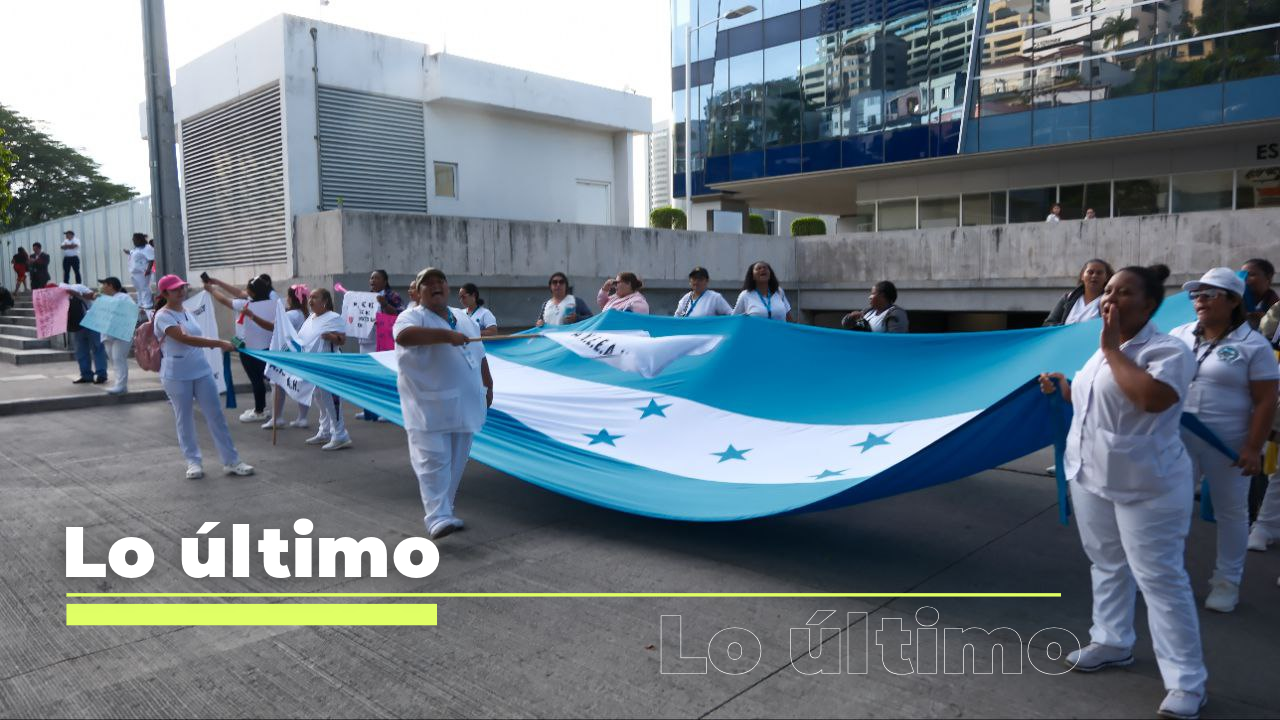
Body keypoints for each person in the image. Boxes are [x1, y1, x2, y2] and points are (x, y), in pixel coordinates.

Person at [1038, 264, 1206, 720]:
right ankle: (1112, 641)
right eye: (1108, 291)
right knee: (1107, 564)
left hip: (1148, 485)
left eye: (1123, 292)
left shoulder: (1168, 350)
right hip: (1092, 476)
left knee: (1160, 580)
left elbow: (1150, 399)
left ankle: (1187, 682)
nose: (1110, 299)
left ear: (1149, 304)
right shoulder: (1101, 353)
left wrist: (1112, 350)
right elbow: (1095, 402)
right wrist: (1065, 387)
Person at [1169, 268, 1278, 613]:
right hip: (1178, 438)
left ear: (1232, 301)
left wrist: (1252, 447)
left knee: (1231, 513)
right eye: (1195, 295)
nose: (1198, 301)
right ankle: (1165, 575)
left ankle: (1227, 582)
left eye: (1208, 294)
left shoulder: (1253, 345)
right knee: (1172, 509)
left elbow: (1265, 400)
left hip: (1229, 443)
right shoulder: (1179, 335)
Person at [394, 267, 494, 540]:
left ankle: (446, 509)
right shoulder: (411, 316)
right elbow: (403, 337)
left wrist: (489, 383)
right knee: (433, 461)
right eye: (428, 283)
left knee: (456, 462)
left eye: (441, 281)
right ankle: (436, 517)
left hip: (465, 403)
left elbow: (480, 352)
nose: (436, 286)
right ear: (417, 291)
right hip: (429, 407)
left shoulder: (463, 317)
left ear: (448, 287)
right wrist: (445, 337)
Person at [152, 274, 255, 480]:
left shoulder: (187, 311)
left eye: (182, 287)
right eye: (175, 289)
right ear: (165, 293)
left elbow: (192, 337)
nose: (181, 291)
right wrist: (219, 343)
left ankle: (232, 461)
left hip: (201, 370)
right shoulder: (163, 316)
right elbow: (185, 339)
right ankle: (193, 461)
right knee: (185, 418)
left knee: (216, 415)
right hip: (176, 374)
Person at [205, 276, 275, 423]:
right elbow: (238, 292)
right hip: (267, 347)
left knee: (256, 380)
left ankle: (259, 410)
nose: (244, 291)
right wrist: (218, 282)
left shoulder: (244, 305)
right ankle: (269, 411)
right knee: (267, 380)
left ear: (253, 293)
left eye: (248, 289)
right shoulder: (271, 302)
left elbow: (224, 300)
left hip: (248, 349)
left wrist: (212, 290)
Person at [300, 288, 352, 451]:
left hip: (329, 364)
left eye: (315, 297)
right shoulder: (310, 318)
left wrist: (331, 337)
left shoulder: (334, 318)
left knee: (331, 399)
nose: (311, 300)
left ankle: (340, 434)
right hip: (314, 365)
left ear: (325, 301)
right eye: (310, 297)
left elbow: (342, 340)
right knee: (319, 397)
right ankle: (325, 431)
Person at [356, 270, 405, 422]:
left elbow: (399, 315)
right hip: (366, 342)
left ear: (385, 281)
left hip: (384, 342)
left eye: (376, 277)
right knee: (367, 377)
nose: (372, 280)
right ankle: (369, 411)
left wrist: (385, 304)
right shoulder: (365, 297)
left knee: (384, 376)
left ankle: (387, 410)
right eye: (371, 277)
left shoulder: (392, 296)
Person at [60, 281, 107, 385]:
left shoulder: (77, 287)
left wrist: (76, 294)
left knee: (97, 347)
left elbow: (93, 296)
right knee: (81, 350)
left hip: (92, 320)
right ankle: (86, 375)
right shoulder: (57, 297)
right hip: (76, 324)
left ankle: (101, 374)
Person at [1044, 259, 1114, 327]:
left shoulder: (1109, 301)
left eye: (1099, 273)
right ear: (1082, 276)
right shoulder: (1068, 298)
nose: (1094, 276)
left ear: (1106, 278)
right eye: (1090, 272)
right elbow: (1048, 324)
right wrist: (1067, 329)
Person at [97, 277, 133, 395]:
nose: (102, 287)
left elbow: (131, 310)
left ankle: (120, 385)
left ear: (110, 286)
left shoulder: (123, 297)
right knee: (113, 359)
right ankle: (120, 384)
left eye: (104, 285)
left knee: (118, 358)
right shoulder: (104, 298)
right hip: (107, 334)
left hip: (121, 333)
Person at [841, 281, 908, 332]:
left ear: (882, 295)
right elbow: (845, 325)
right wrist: (851, 317)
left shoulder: (896, 314)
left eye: (873, 293)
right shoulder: (868, 311)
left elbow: (895, 340)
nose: (869, 297)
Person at [1240, 258, 1278, 328]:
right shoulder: (1235, 302)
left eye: (1251, 274)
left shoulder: (1275, 306)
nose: (1245, 279)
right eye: (1242, 275)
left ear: (1268, 278)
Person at [123, 233, 155, 311]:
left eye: (135, 240)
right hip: (134, 272)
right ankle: (141, 303)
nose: (134, 242)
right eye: (133, 240)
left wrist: (148, 270)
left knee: (144, 287)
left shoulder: (147, 248)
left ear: (140, 239)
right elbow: (134, 254)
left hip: (142, 272)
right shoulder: (136, 248)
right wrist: (128, 252)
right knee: (139, 288)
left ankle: (147, 303)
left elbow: (151, 259)